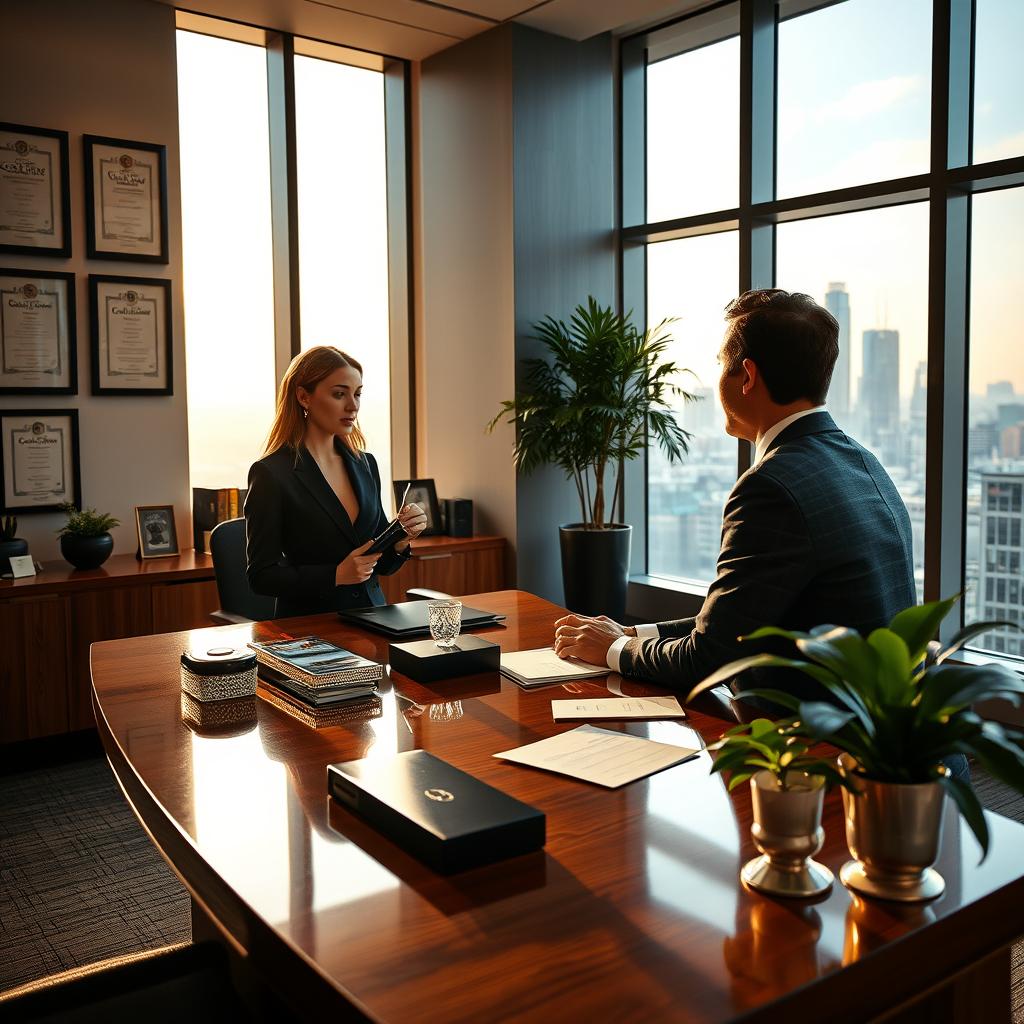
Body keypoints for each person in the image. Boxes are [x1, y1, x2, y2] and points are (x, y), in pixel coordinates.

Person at [553, 288, 918, 700]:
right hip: (886, 738)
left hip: (815, 749)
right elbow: (738, 621)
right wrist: (633, 633)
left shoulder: (771, 485)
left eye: (721, 365)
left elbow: (710, 658)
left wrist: (614, 650)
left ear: (747, 376)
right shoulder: (863, 461)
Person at [245, 346, 427, 616]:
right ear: (304, 396)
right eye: (339, 394)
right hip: (310, 632)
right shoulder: (271, 474)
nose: (353, 406)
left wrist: (401, 538)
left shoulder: (366, 464)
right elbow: (261, 576)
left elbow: (381, 564)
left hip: (374, 620)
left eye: (357, 394)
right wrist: (335, 575)